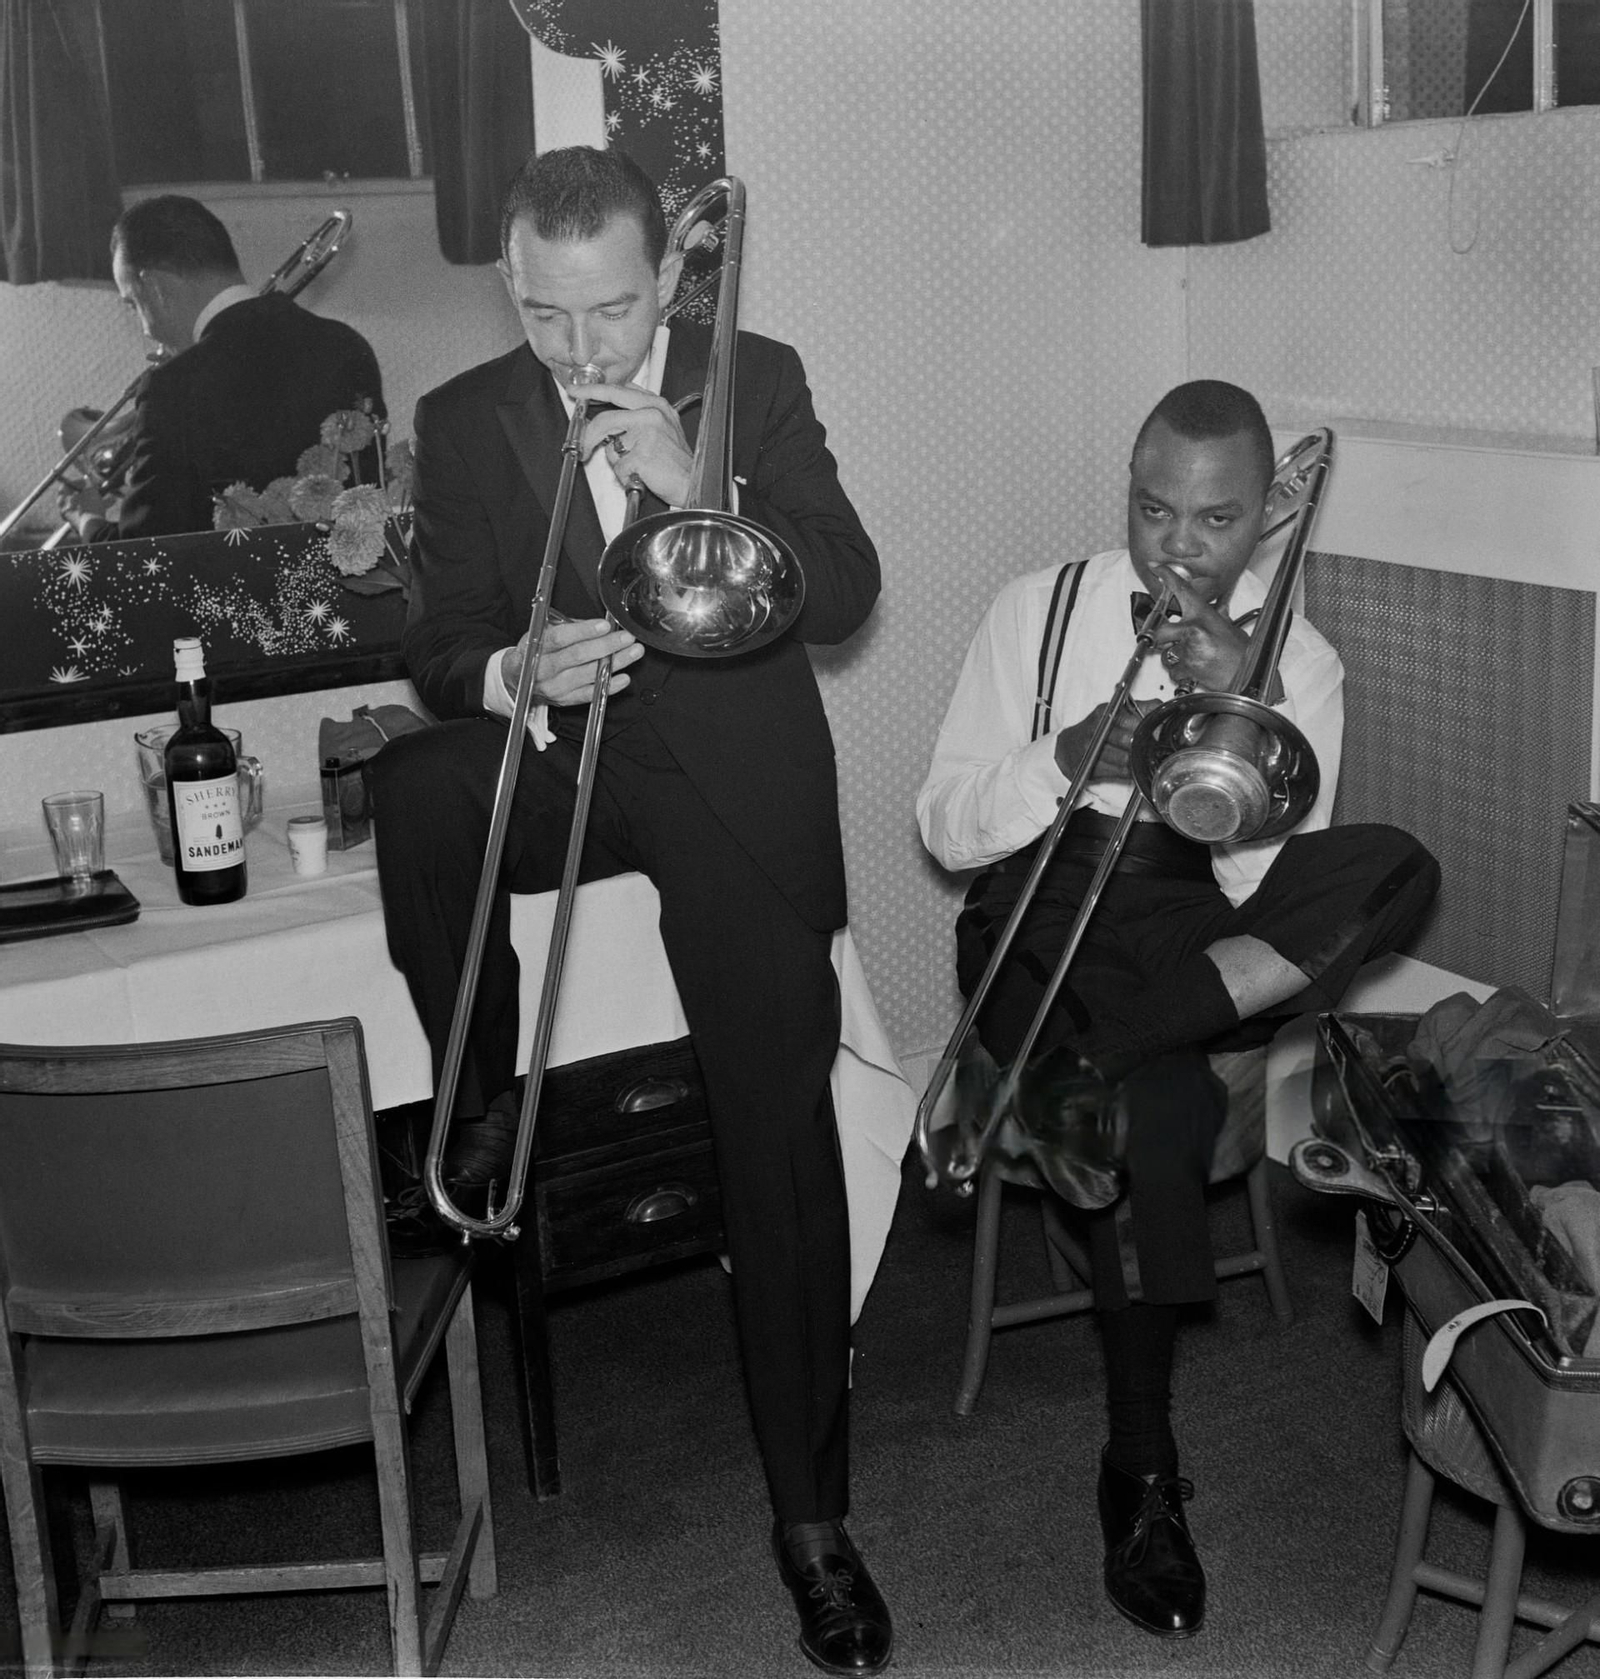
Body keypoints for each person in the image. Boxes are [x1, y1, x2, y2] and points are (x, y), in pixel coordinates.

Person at [367, 148, 891, 1674]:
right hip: (565, 755)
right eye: (542, 313)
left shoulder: (761, 378)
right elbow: (439, 627)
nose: (579, 349)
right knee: (418, 786)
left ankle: (813, 1523)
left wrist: (700, 486)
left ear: (667, 281)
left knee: (774, 1142)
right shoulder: (467, 416)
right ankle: (473, 1109)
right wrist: (504, 674)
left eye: (606, 310)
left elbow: (848, 590)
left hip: (727, 771)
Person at [917, 381, 1439, 1641]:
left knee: (1398, 864)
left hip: (1188, 917)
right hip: (1042, 909)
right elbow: (942, 827)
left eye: (1212, 521)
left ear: (1264, 517)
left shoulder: (1297, 660)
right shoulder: (1032, 608)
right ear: (1130, 491)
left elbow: (1273, 896)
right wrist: (1068, 754)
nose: (1175, 549)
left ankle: (1089, 1052)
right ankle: (1141, 1471)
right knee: (1149, 1099)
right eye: (1154, 511)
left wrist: (1229, 744)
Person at [58, 195, 383, 542]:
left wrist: (86, 519)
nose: (145, 330)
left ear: (155, 286)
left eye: (133, 304)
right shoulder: (347, 344)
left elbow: (144, 551)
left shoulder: (172, 386)